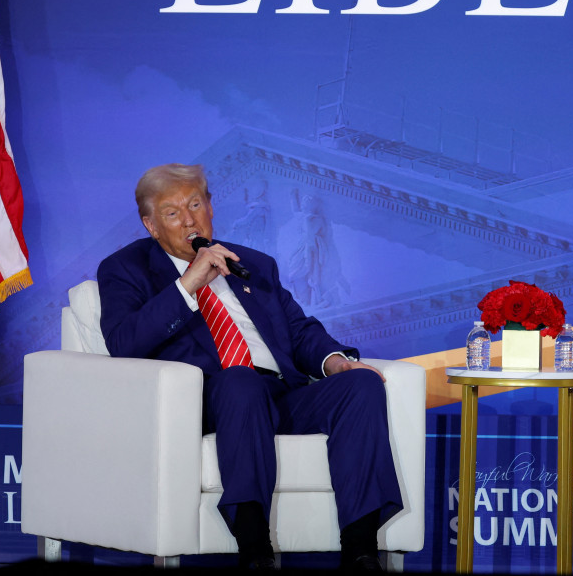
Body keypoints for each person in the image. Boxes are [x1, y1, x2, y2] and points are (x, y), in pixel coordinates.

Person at [98, 163, 402, 571]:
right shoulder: (125, 269)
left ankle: (361, 550)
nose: (189, 219)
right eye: (172, 213)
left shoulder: (252, 264)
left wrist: (335, 361)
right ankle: (256, 551)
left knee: (362, 386)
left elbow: (298, 330)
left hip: (279, 395)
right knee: (241, 383)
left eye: (195, 204)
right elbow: (124, 343)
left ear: (211, 207)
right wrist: (188, 283)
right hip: (210, 403)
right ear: (151, 226)